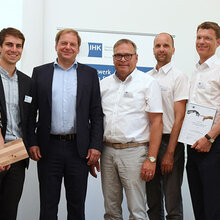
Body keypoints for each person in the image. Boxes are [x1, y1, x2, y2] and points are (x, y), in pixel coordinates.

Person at [28, 28, 103, 220]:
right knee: (48, 205)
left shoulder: (90, 74)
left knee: (77, 206)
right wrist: (32, 142)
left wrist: (95, 146)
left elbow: (96, 114)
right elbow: (30, 112)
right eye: (64, 43)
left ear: (78, 49)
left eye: (72, 44)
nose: (67, 47)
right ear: (56, 46)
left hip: (78, 150)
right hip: (48, 148)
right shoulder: (40, 73)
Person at [100, 39, 163, 220]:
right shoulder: (103, 85)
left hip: (135, 153)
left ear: (136, 58)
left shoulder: (148, 83)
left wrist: (151, 158)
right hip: (107, 152)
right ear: (113, 59)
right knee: (111, 211)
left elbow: (157, 123)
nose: (123, 59)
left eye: (127, 55)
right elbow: (96, 120)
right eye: (118, 55)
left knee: (137, 211)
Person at [146, 33, 189, 220]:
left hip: (171, 142)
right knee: (153, 200)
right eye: (158, 45)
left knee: (172, 203)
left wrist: (170, 152)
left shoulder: (179, 77)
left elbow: (179, 118)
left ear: (173, 49)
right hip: (149, 142)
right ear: (153, 49)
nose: (161, 49)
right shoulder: (146, 77)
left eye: (165, 45)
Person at [186, 21, 220, 220]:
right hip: (194, 144)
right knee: (198, 203)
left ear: (218, 42)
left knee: (214, 207)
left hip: (213, 146)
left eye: (207, 38)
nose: (201, 42)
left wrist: (210, 137)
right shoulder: (196, 70)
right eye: (199, 37)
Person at [0, 27, 32, 220]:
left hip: (16, 152)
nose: (14, 49)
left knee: (9, 211)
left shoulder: (28, 82)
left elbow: (28, 121)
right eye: (9, 44)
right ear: (0, 47)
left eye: (18, 46)